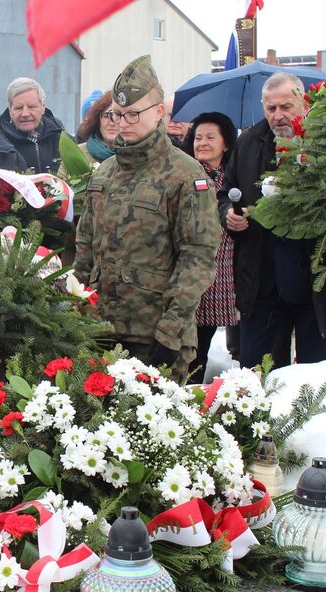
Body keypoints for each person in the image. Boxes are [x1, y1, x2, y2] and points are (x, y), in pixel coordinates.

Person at [74, 55, 221, 379]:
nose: (122, 122)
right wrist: (77, 315)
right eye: (117, 114)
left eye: (132, 114)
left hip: (155, 337)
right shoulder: (105, 173)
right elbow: (85, 247)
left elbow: (197, 258)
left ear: (158, 113)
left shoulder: (184, 174)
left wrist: (169, 333)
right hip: (100, 332)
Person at [219, 72, 326, 369]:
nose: (278, 116)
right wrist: (227, 215)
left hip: (316, 283)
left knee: (315, 380)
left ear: (303, 101)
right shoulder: (248, 142)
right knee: (258, 378)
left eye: (286, 106)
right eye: (271, 109)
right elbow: (225, 192)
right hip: (261, 283)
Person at [181, 112, 240, 381]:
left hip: (221, 273)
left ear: (226, 144)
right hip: (187, 268)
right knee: (184, 345)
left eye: (209, 137)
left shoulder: (234, 178)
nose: (201, 142)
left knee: (203, 343)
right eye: (197, 137)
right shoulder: (184, 174)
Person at [0, 77, 65, 173]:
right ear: (10, 110)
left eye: (31, 106)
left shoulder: (61, 138)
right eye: (19, 108)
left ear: (43, 107)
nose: (25, 114)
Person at [71, 91, 118, 163]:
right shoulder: (76, 154)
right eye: (106, 116)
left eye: (116, 116)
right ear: (98, 120)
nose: (111, 123)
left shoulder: (135, 156)